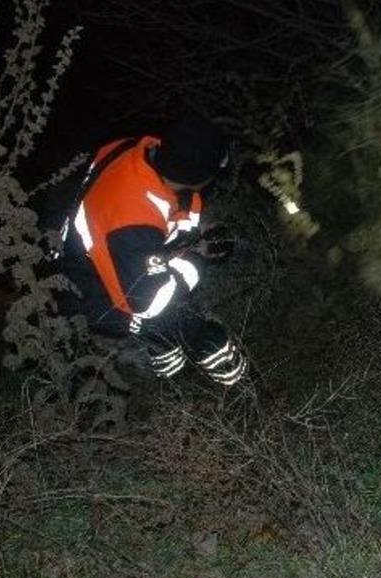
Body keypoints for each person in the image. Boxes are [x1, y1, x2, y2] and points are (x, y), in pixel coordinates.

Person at [56, 118, 248, 386]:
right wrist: (196, 261)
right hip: (85, 294)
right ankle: (149, 378)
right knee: (180, 334)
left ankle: (165, 361)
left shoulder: (138, 153)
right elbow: (147, 301)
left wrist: (197, 235)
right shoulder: (132, 219)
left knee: (169, 330)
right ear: (200, 175)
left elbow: (158, 213)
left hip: (107, 258)